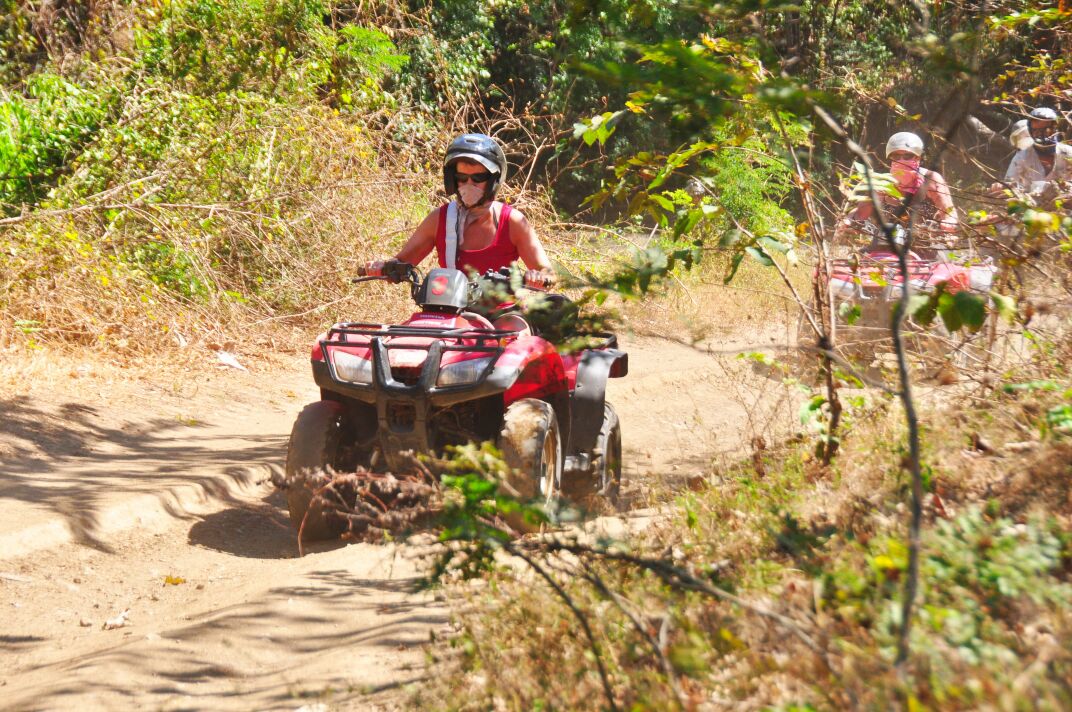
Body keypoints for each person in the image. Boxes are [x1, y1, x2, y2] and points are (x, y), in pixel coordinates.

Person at [365, 133, 555, 289]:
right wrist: (383, 267)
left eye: (478, 177)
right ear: (452, 180)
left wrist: (538, 277)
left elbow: (548, 274)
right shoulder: (440, 219)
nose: (468, 184)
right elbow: (402, 263)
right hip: (448, 309)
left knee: (519, 334)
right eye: (461, 177)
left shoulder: (512, 221)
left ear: (493, 180)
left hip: (501, 315)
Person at [838, 131, 958, 249]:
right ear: (890, 158)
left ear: (918, 158)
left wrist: (949, 223)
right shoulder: (883, 182)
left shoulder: (931, 180)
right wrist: (848, 220)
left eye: (907, 156)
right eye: (896, 156)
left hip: (928, 245)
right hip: (887, 245)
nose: (902, 160)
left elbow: (949, 211)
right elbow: (860, 212)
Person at [1000, 107, 1072, 195]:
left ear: (1055, 129)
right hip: (1034, 206)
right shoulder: (1022, 157)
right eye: (1036, 131)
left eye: (1047, 129)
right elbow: (1009, 185)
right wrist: (1000, 187)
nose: (1041, 134)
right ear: (1030, 132)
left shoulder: (1069, 153)